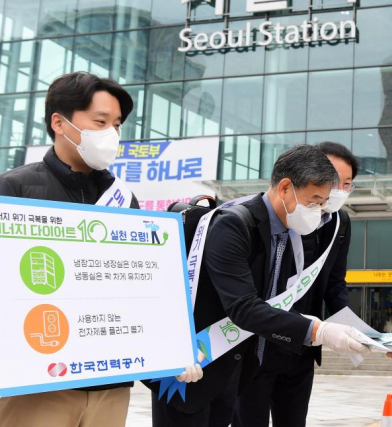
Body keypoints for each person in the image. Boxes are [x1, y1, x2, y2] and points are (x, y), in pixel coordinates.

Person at [0, 72, 202, 427]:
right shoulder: (13, 188)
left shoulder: (123, 198)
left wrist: (172, 344)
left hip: (110, 386)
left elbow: (140, 284)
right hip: (35, 386)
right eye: (100, 122)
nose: (111, 134)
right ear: (60, 122)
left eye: (117, 125)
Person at [150, 144, 370, 427]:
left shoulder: (287, 233)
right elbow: (244, 307)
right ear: (286, 188)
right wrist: (318, 330)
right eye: (314, 201)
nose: (318, 211)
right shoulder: (234, 224)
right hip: (187, 371)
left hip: (231, 371)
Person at [232, 141, 358, 427]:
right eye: (331, 180)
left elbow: (335, 286)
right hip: (258, 343)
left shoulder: (340, 223)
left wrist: (357, 333)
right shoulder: (276, 216)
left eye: (346, 183)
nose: (336, 190)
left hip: (303, 346)